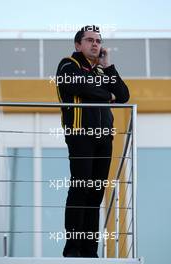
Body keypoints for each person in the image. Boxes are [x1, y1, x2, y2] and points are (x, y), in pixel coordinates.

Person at [56, 25, 130, 258]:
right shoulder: (68, 64)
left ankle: (89, 251)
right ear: (78, 45)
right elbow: (75, 84)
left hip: (103, 138)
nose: (95, 44)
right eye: (89, 40)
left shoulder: (101, 71)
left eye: (98, 40)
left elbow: (124, 95)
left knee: (96, 194)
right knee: (80, 189)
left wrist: (108, 67)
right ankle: (73, 248)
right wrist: (108, 95)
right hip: (80, 134)